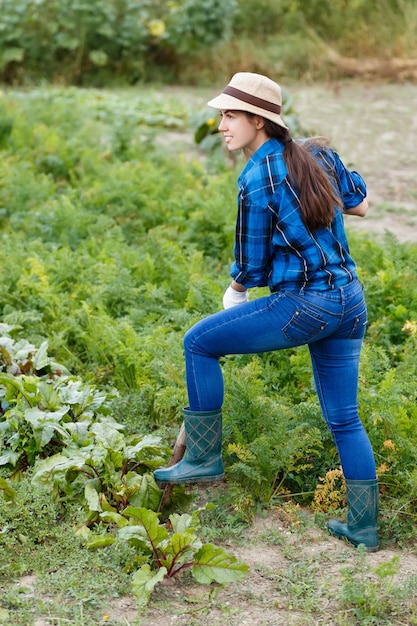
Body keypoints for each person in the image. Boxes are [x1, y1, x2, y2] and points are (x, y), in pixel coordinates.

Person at [154, 72, 379, 551]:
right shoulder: (317, 153)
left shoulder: (256, 178)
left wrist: (234, 291)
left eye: (230, 115)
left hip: (308, 304)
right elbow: (360, 205)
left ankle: (202, 457)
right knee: (344, 418)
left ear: (259, 119)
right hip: (350, 302)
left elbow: (252, 265)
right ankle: (363, 528)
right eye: (220, 116)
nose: (221, 126)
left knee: (198, 342)